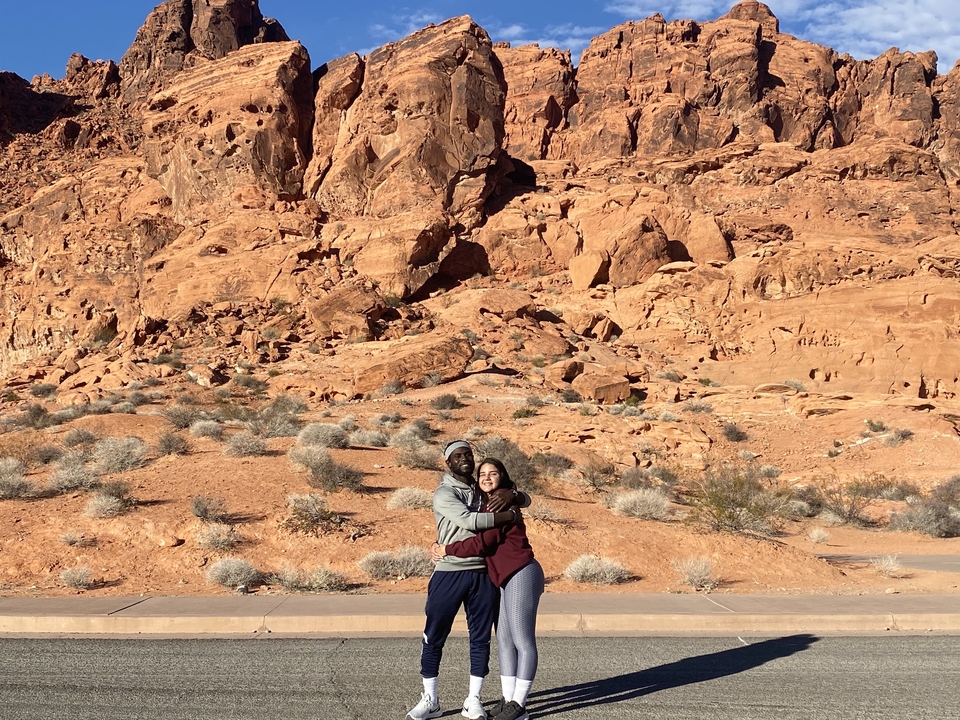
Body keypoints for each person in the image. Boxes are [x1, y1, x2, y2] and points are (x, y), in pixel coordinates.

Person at [407, 441, 529, 720]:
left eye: (468, 455)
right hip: (449, 570)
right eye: (457, 456)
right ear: (447, 462)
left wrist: (515, 497)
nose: (464, 459)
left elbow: (523, 496)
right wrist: (508, 515)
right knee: (435, 634)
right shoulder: (443, 493)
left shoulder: (483, 489)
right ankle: (431, 699)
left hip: (483, 573)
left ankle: (473, 699)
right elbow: (469, 521)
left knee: (480, 638)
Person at [433, 458, 544, 720]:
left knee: (522, 641)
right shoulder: (489, 500)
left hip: (521, 572)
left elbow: (483, 542)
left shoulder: (502, 498)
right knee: (504, 640)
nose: (486, 477)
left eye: (493, 473)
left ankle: (519, 704)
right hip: (504, 577)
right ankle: (508, 700)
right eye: (482, 473)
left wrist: (446, 550)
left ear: (502, 476)